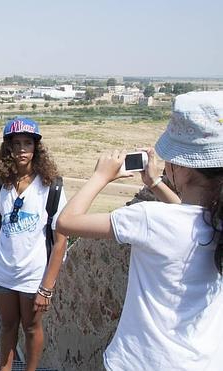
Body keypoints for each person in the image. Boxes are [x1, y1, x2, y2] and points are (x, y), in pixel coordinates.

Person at [56, 91, 223, 371]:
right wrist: (156, 182)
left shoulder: (150, 219)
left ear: (182, 167)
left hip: (141, 361)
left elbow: (67, 221)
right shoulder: (216, 220)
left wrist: (101, 176)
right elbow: (188, 215)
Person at [0, 117, 68, 371]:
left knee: (31, 327)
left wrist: (46, 288)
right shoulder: (1, 183)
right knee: (6, 327)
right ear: (8, 148)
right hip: (3, 271)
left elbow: (60, 241)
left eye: (27, 143)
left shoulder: (51, 187)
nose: (21, 150)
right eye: (15, 144)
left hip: (33, 275)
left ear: (36, 148)